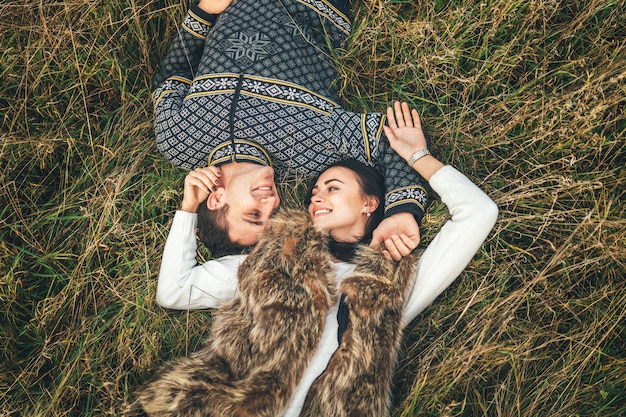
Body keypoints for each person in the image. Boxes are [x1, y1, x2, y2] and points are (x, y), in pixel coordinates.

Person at [152, 102, 499, 416]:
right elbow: (174, 291)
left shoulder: (393, 286)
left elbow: (479, 212)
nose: (316, 198)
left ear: (369, 203)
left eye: (332, 188)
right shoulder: (273, 262)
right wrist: (188, 207)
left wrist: (418, 156)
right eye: (314, 192)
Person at [153, 0, 429, 258]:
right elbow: (390, 139)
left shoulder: (177, 141)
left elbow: (171, 79)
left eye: (254, 214)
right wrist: (402, 210)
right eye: (273, 215)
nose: (271, 203)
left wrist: (202, 14)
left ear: (216, 199)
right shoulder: (308, 153)